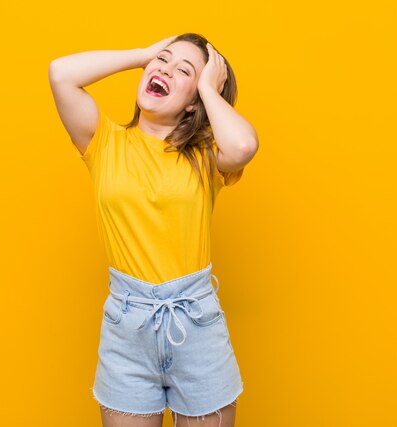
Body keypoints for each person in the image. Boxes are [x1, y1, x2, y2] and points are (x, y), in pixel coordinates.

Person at [48, 33, 258, 427]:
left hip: (195, 323)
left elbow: (245, 145)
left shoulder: (206, 155)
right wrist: (145, 55)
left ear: (195, 97)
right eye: (162, 61)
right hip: (127, 327)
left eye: (184, 71)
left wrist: (209, 91)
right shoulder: (104, 141)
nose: (164, 69)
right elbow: (60, 73)